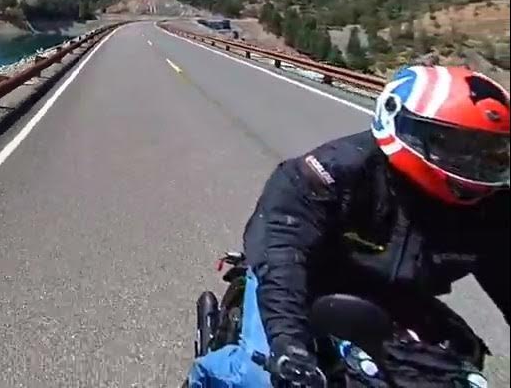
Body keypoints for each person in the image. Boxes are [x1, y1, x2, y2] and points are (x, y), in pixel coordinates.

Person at [188, 65, 510, 387]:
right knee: (259, 376)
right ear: (402, 126)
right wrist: (289, 344)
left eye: (490, 152)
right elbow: (281, 252)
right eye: (453, 146)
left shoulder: (491, 206)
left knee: (458, 368)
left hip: (398, 296)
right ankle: (199, 377)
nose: (475, 164)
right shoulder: (328, 174)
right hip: (305, 279)